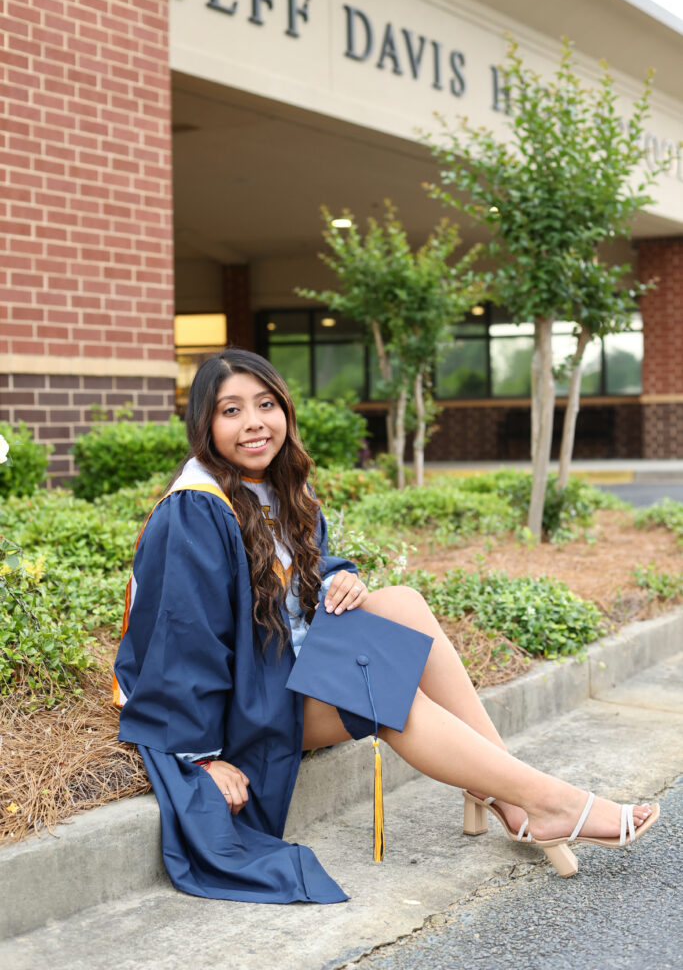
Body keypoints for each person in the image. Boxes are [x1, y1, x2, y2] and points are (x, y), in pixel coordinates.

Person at [113, 348, 659, 904]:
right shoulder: (195, 509)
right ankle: (548, 803)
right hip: (239, 707)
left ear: (285, 411)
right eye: (231, 411)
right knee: (381, 685)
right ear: (204, 424)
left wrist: (335, 580)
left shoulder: (275, 486)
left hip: (278, 667)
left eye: (266, 404)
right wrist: (203, 758)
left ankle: (507, 793)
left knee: (400, 602)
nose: (253, 422)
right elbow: (183, 641)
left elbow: (299, 571)